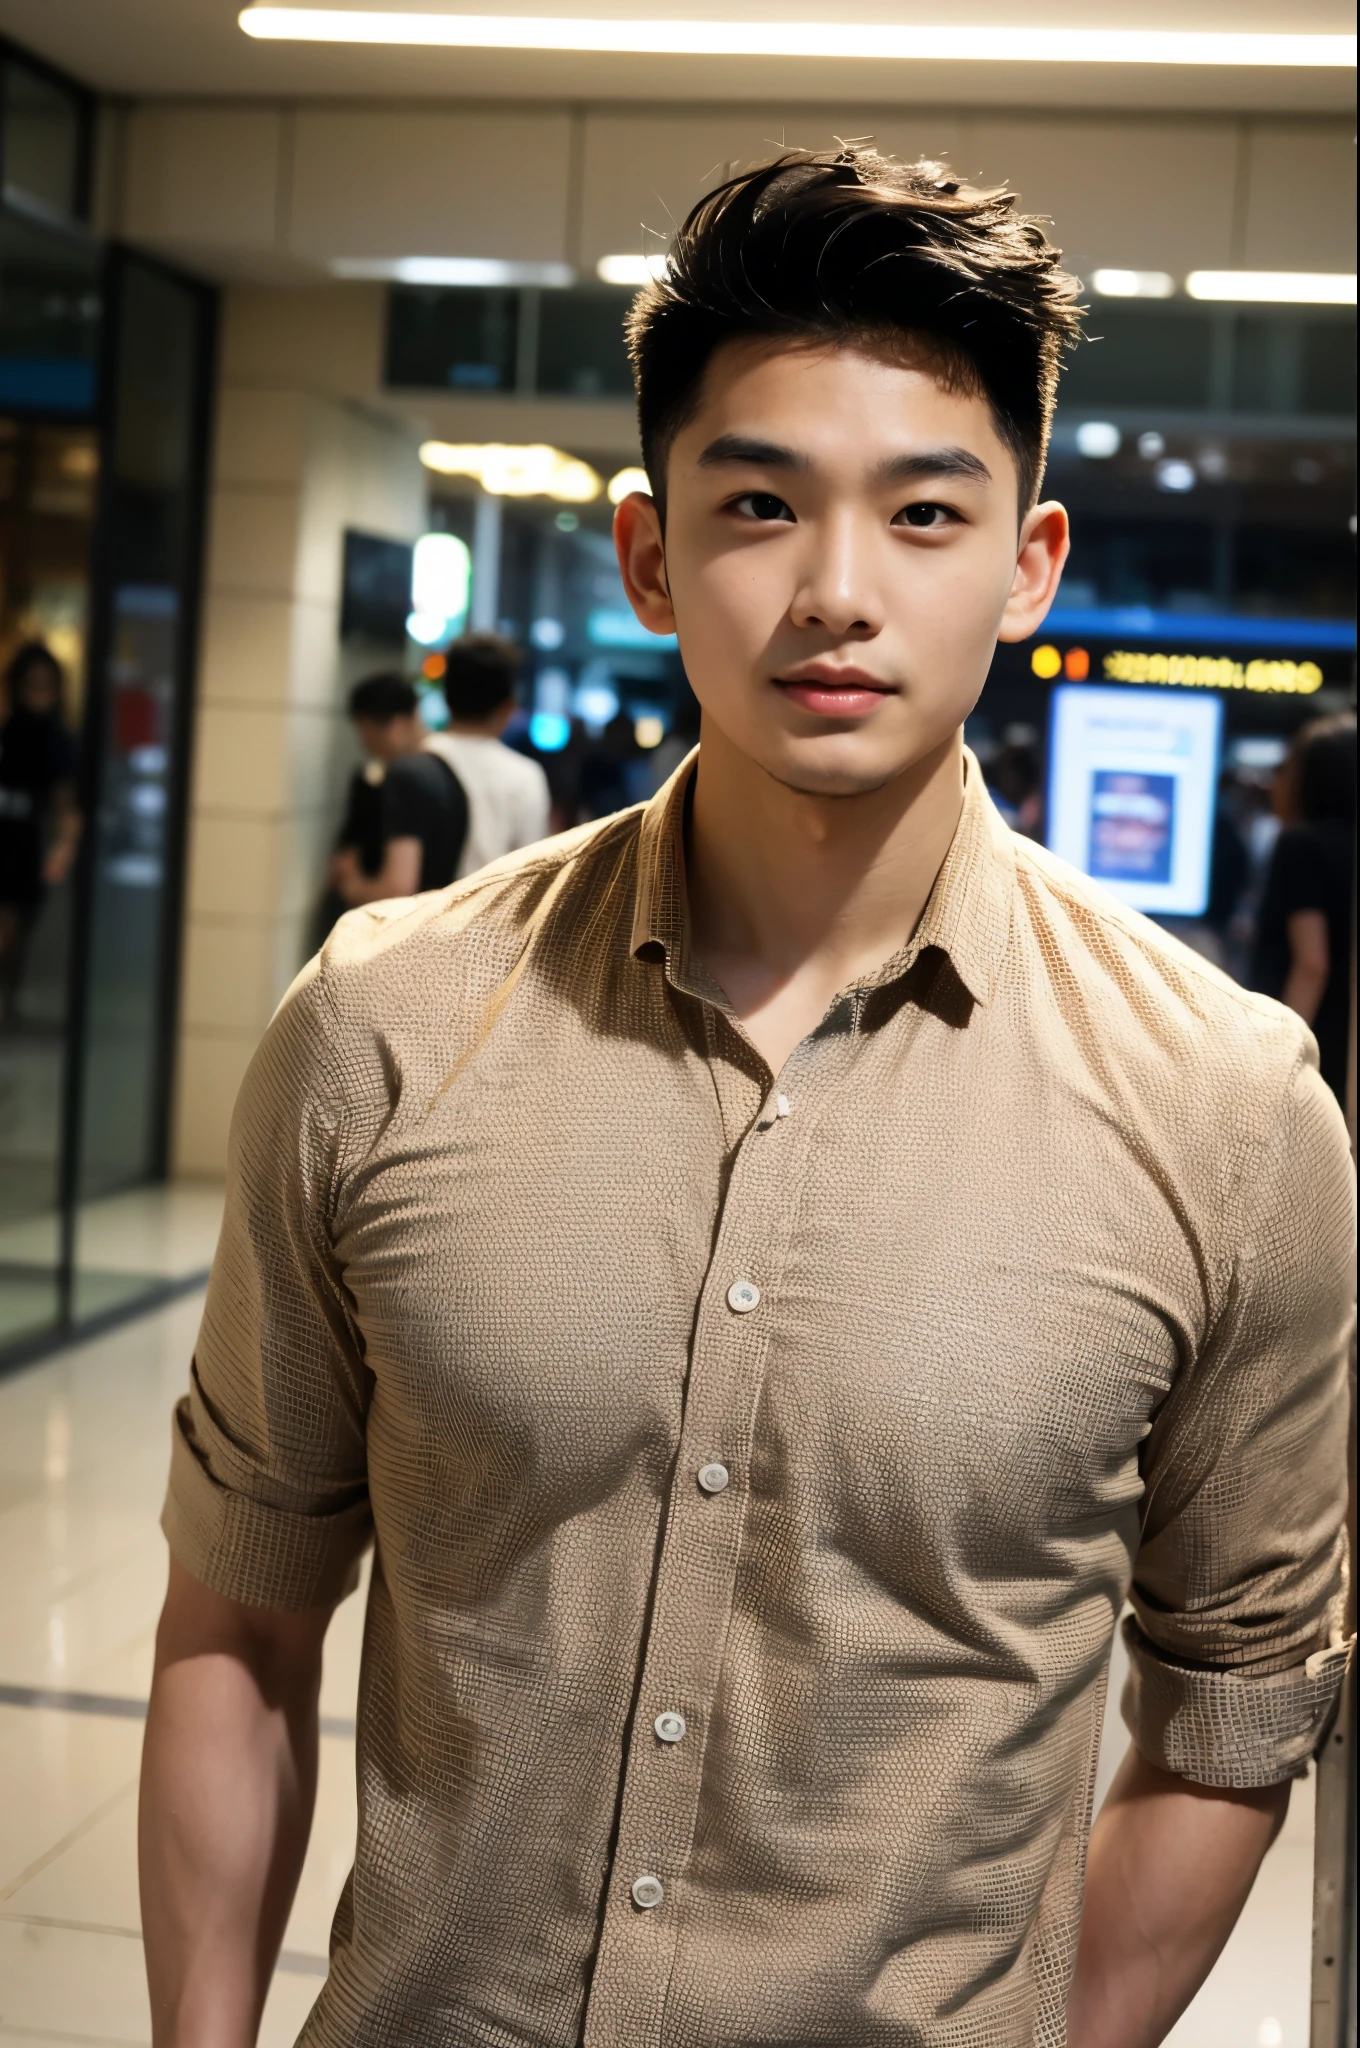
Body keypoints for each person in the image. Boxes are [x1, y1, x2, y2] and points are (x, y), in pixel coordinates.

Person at [141, 148, 1353, 2048]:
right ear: (648, 553)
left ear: (1029, 564)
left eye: (926, 512)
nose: (837, 591)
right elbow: (239, 1613)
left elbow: (1235, 1703)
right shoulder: (383, 1025)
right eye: (762, 503)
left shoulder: (1229, 1108)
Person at [1252, 711, 1356, 1105]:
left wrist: (1280, 1065)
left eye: (1287, 768)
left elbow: (1312, 963)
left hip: (1312, 1037)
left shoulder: (1302, 846)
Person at [321, 672, 469, 927]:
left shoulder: (405, 775)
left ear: (397, 725)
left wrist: (354, 886)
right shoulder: (445, 768)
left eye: (366, 732)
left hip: (400, 931)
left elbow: (398, 887)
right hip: (440, 926)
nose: (365, 744)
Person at [421, 631, 551, 876]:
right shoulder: (526, 776)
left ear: (446, 696)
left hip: (418, 911)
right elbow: (531, 870)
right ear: (508, 707)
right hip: (495, 911)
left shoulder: (419, 761)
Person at [0, 641, 82, 1024]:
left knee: (17, 930)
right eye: (32, 684)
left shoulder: (56, 741)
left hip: (27, 848)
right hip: (8, 839)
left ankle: (10, 997)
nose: (39, 693)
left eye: (45, 685)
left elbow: (67, 804)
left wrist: (62, 848)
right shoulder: (7, 730)